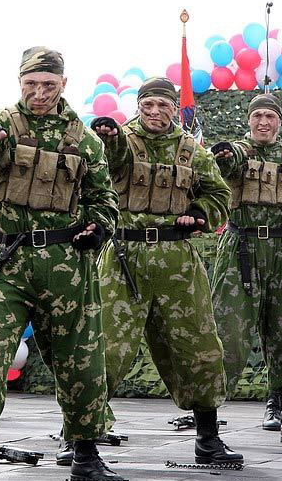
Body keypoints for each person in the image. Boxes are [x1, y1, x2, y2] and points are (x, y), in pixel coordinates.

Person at [0, 46, 125, 481]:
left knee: (82, 360)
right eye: (30, 85)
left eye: (48, 85)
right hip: (11, 262)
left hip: (66, 264)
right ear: (19, 83)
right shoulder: (4, 123)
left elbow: (105, 200)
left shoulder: (85, 139)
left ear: (63, 84)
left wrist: (98, 228)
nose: (38, 94)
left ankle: (86, 456)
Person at [90, 77, 242, 466]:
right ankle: (80, 437)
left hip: (177, 259)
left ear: (175, 108)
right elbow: (108, 163)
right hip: (125, 258)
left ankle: (208, 438)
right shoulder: (119, 142)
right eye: (147, 106)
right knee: (106, 348)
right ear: (138, 107)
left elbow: (219, 195)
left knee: (199, 347)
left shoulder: (192, 151)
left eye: (162, 106)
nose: (154, 113)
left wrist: (200, 214)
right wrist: (108, 137)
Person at [210, 93, 282, 446]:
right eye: (257, 117)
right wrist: (224, 152)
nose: (263, 123)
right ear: (249, 120)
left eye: (270, 116)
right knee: (229, 335)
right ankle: (208, 418)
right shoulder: (239, 153)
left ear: (279, 121)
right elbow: (226, 162)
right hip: (241, 250)